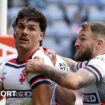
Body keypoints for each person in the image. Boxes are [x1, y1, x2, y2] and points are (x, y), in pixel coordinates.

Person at [0, 6, 75, 105]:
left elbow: (70, 101)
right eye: (21, 26)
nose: (24, 32)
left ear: (41, 35)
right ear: (14, 31)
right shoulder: (6, 63)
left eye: (31, 28)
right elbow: (10, 94)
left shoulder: (41, 62)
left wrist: (50, 73)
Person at [25, 21, 105, 105]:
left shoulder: (101, 62)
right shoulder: (92, 63)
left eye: (83, 39)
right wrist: (52, 56)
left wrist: (42, 67)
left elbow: (75, 81)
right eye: (77, 38)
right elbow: (73, 65)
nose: (76, 43)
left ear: (99, 43)